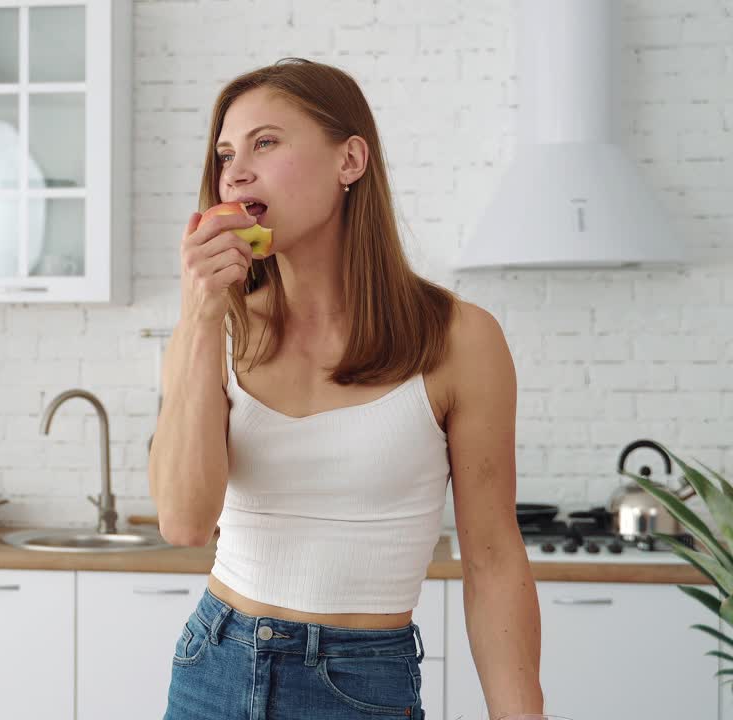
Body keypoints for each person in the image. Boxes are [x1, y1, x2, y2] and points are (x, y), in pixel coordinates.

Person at [148, 58, 544, 719]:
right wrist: (200, 315)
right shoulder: (213, 327)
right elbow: (185, 522)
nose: (235, 171)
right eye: (225, 153)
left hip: (359, 685)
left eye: (265, 142)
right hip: (212, 666)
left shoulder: (460, 340)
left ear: (350, 160)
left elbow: (494, 559)